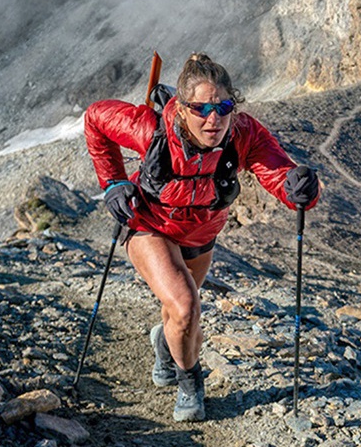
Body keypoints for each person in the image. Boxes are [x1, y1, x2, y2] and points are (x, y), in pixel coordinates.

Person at [84, 52, 320, 423]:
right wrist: (113, 182)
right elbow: (96, 117)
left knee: (178, 314)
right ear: (181, 108)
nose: (214, 119)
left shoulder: (242, 133)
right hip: (149, 224)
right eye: (202, 109)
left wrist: (299, 189)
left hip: (201, 232)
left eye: (223, 107)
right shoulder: (149, 129)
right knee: (186, 306)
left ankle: (165, 345)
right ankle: (190, 382)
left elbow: (278, 173)